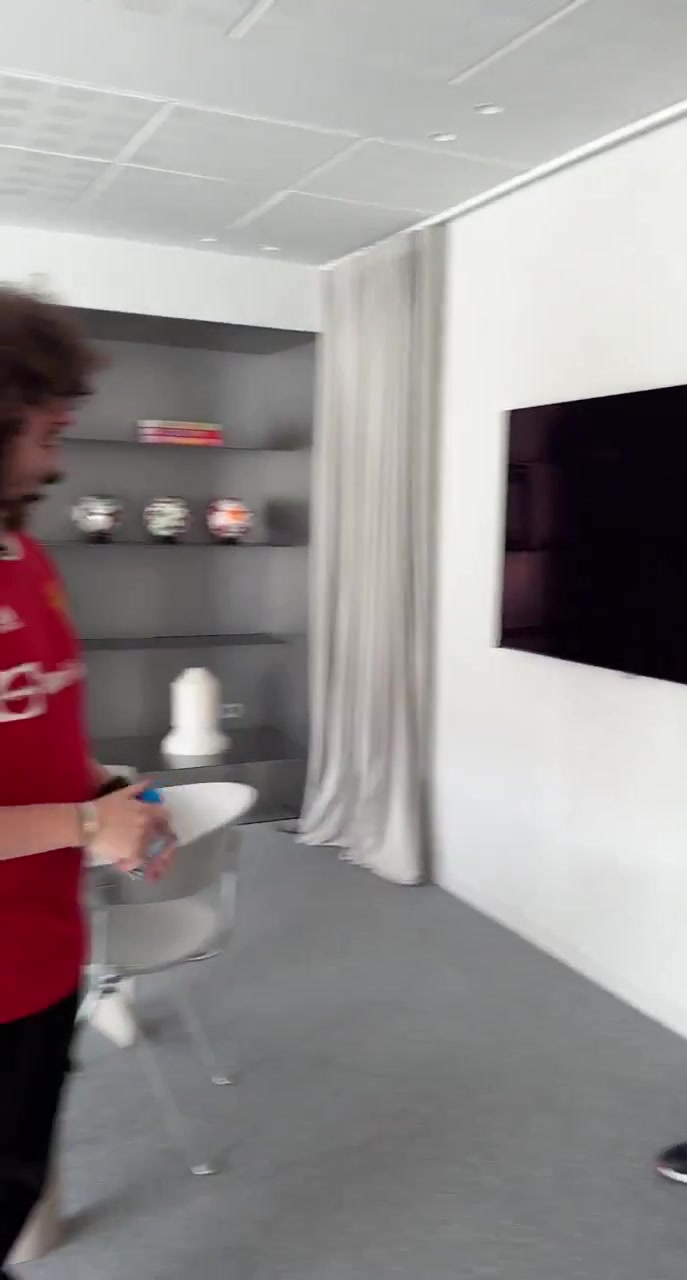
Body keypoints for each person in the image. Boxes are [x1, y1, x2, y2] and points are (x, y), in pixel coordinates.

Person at [0, 286, 175, 1275]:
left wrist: (109, 793)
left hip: (42, 952)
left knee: (17, 1178)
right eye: (44, 429)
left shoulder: (28, 557)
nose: (56, 457)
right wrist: (80, 821)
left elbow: (43, 727)